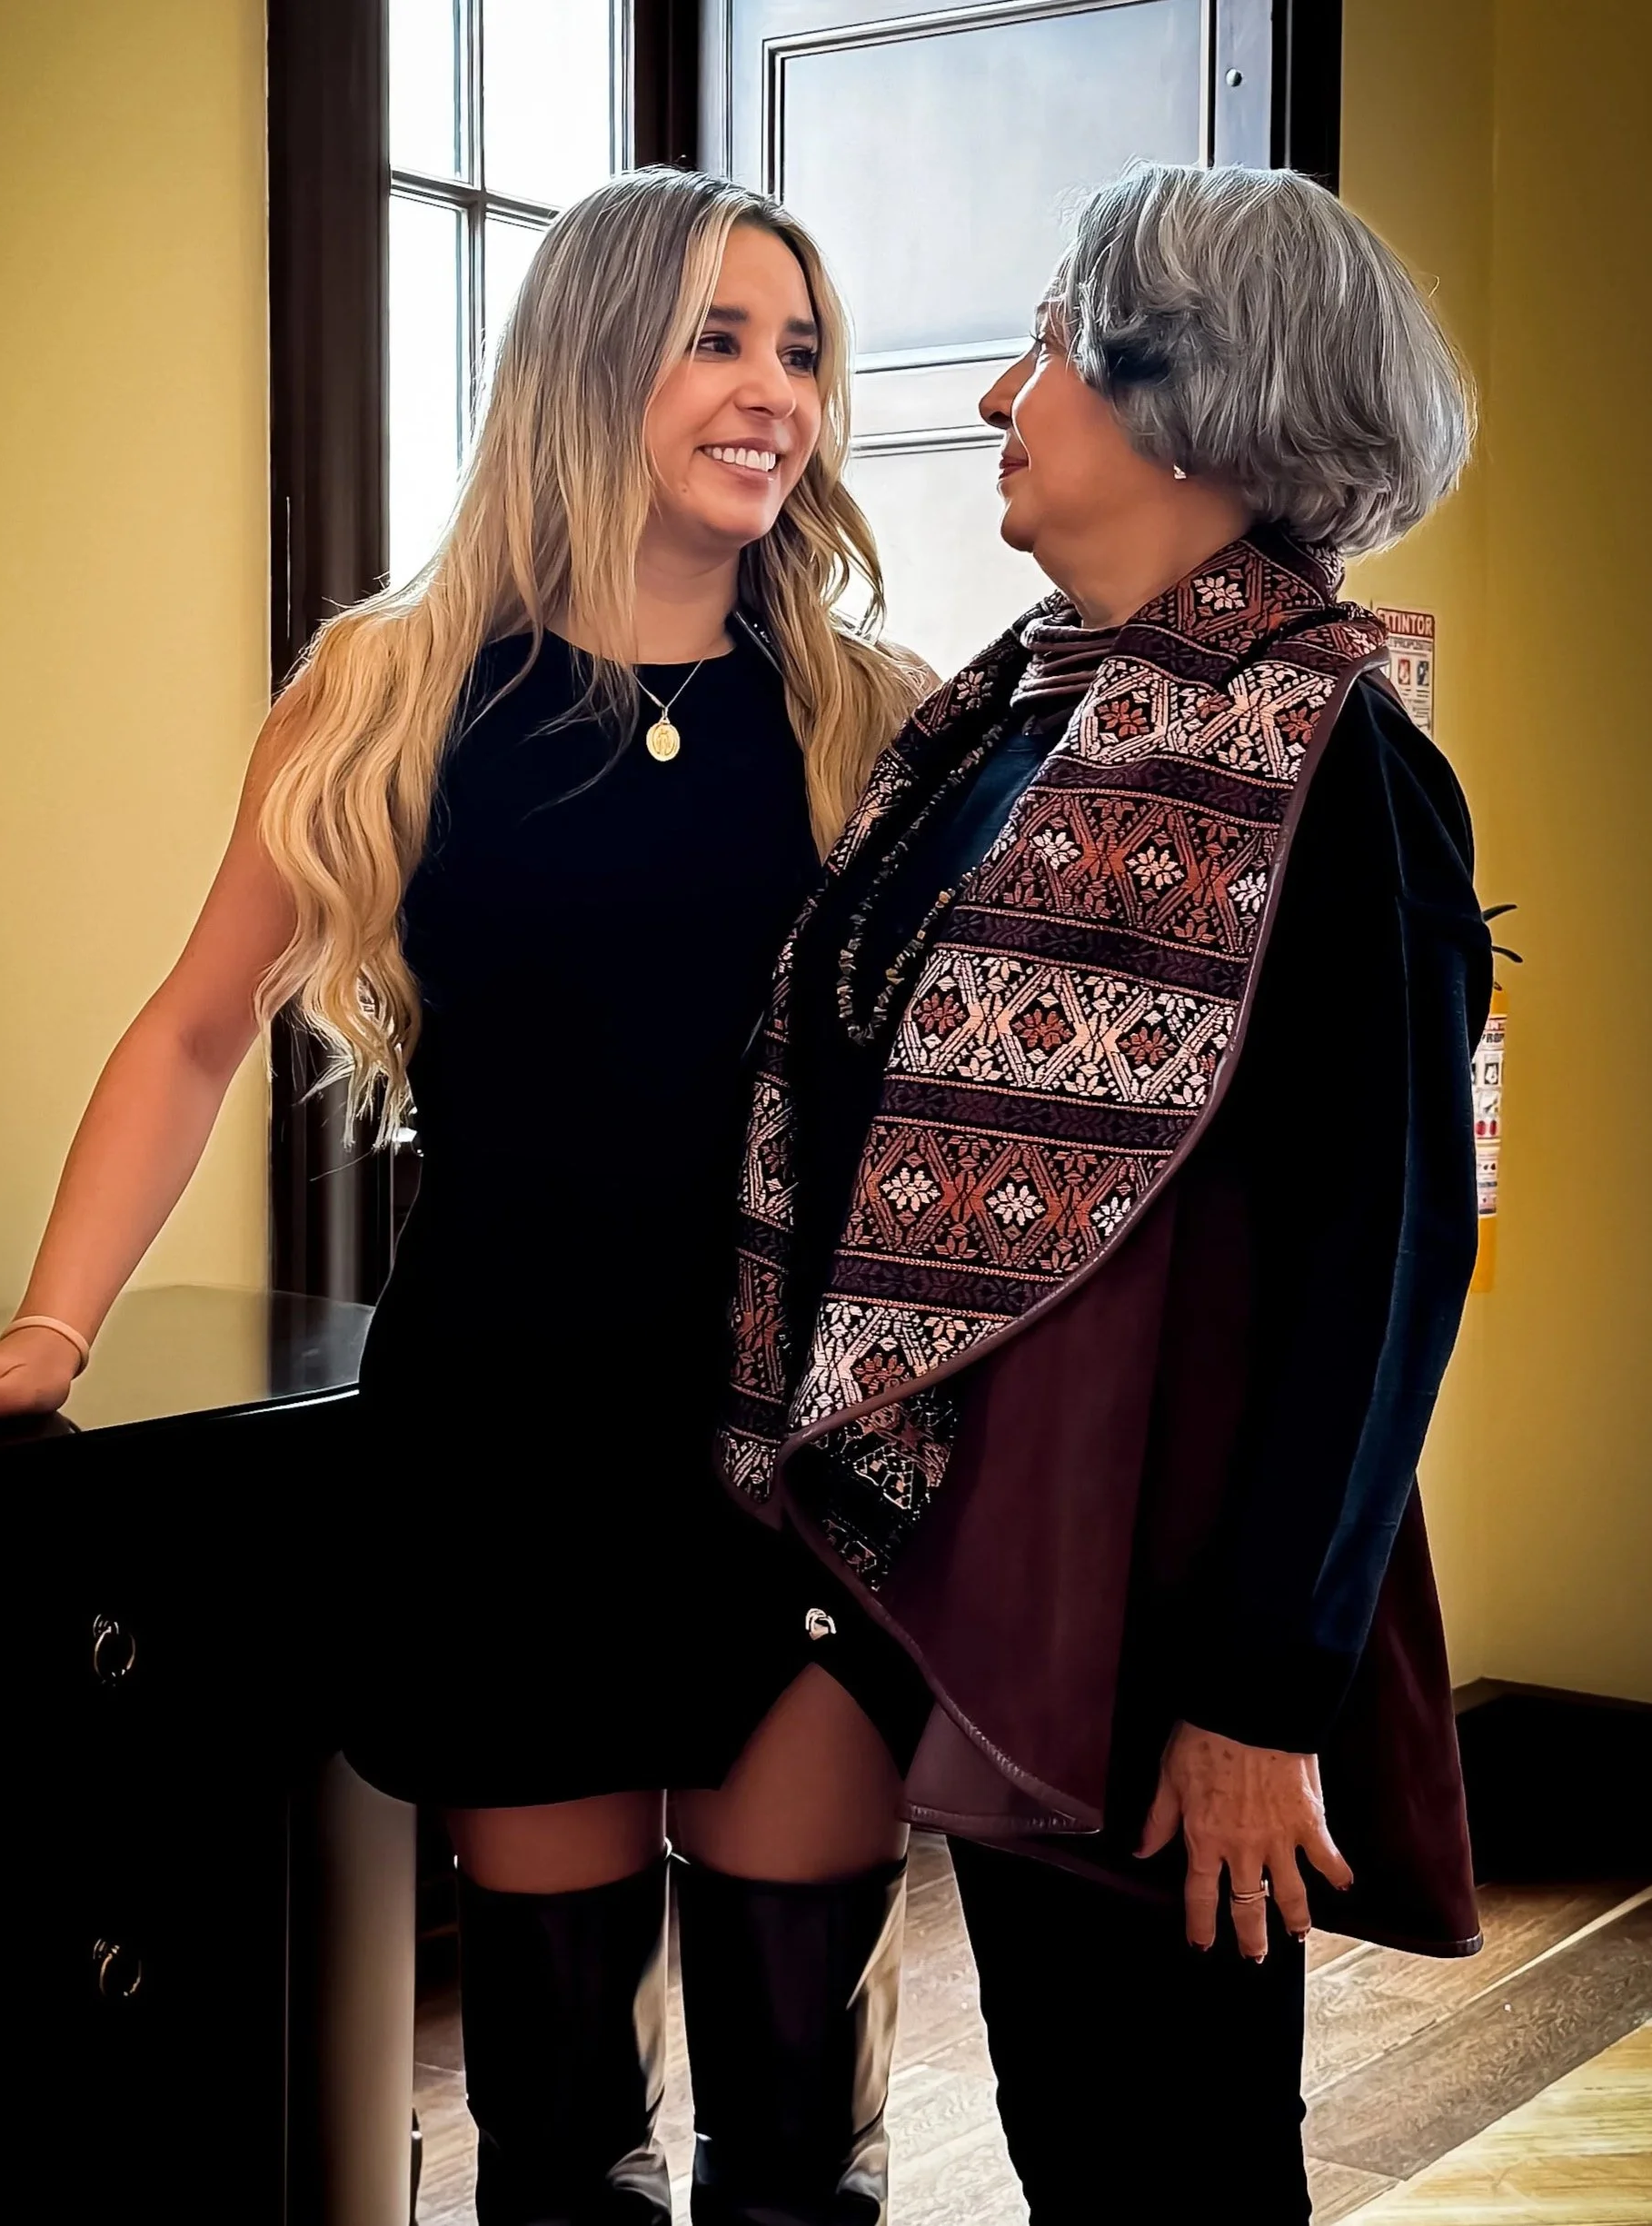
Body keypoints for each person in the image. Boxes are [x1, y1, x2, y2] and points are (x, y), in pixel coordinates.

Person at [0, 168, 930, 2226]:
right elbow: (193, 1028)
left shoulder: (867, 716)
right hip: (507, 1449)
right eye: (715, 337)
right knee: (553, 2150)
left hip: (786, 1458)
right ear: (584, 359)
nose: (770, 392)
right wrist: (52, 1326)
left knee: (799, 2155)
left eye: (797, 348)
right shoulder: (383, 686)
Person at [715, 160, 1490, 2222]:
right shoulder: (1015, 713)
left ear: (1178, 405)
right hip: (998, 1539)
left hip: (1171, 1604)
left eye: (1045, 348)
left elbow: (1386, 1258)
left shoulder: (1336, 756)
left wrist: (1261, 1697)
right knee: (1076, 2130)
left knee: (1176, 2162)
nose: (995, 401)